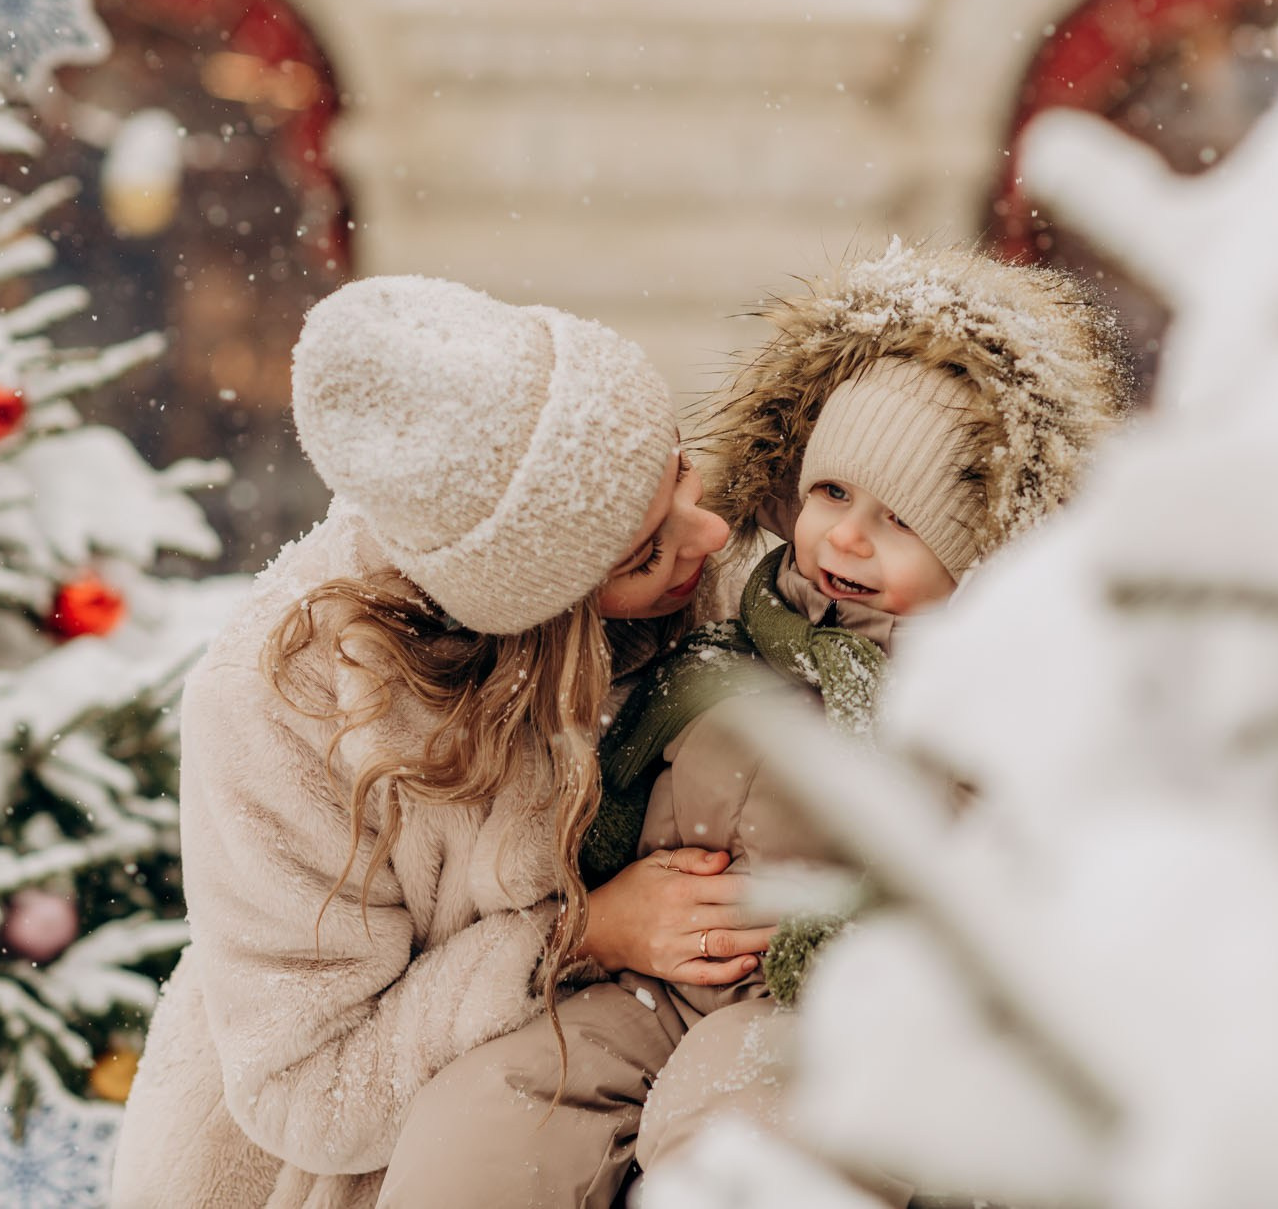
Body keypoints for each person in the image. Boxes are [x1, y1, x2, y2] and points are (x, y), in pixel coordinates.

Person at [377, 240, 1130, 1207]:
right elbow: (618, 778)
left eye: (900, 521)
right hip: (655, 985)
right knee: (499, 1105)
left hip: (826, 1009)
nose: (847, 536)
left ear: (981, 554)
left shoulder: (978, 697)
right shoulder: (730, 636)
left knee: (734, 1126)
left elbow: (1018, 875)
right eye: (832, 493)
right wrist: (601, 888)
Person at [110, 275, 752, 1209]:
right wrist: (580, 934)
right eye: (644, 553)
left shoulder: (706, 582)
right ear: (538, 614)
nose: (715, 532)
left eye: (682, 471)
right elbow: (309, 1087)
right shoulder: (280, 706)